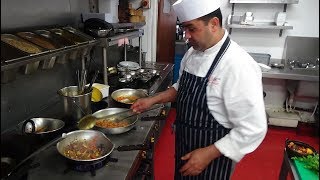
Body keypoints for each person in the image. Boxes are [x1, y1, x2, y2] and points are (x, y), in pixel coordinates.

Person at [131, 0, 268, 179]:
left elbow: (253, 128)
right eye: (184, 28)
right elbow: (182, 88)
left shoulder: (238, 65)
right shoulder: (192, 53)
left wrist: (208, 154)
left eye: (191, 29)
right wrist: (152, 100)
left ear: (214, 24)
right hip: (185, 145)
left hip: (213, 158)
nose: (186, 35)